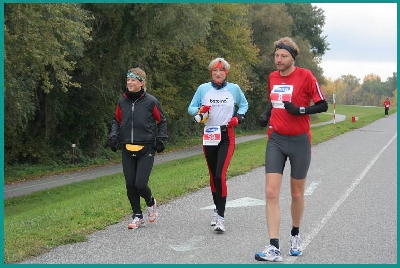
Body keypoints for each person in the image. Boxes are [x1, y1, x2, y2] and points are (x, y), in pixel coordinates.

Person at [255, 37, 328, 262]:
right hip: (276, 139)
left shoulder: (306, 76)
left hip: (299, 141)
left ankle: (295, 234)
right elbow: (274, 100)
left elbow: (322, 104)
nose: (278, 59)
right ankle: (274, 246)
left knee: (296, 193)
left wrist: (300, 110)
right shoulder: (272, 77)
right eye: (276, 55)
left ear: (292, 58)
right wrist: (267, 113)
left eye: (283, 56)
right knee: (270, 192)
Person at [188, 57, 248, 233]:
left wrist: (239, 117)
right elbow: (191, 108)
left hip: (226, 135)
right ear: (211, 73)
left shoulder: (234, 89)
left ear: (226, 72)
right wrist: (200, 110)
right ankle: (216, 209)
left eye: (221, 71)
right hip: (209, 135)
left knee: (221, 175)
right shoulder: (203, 89)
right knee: (213, 175)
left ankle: (221, 217)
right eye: (214, 71)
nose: (218, 73)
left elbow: (244, 104)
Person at [109, 67, 168, 229]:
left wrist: (161, 139)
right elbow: (117, 121)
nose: (129, 82)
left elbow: (161, 121)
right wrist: (113, 136)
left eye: (133, 79)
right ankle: (137, 216)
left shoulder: (151, 101)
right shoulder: (122, 101)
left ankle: (151, 202)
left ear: (141, 83)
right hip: (127, 147)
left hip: (146, 147)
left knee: (140, 184)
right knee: (130, 184)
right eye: (128, 79)